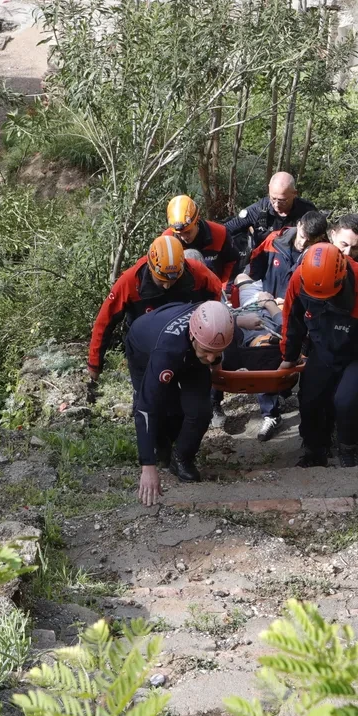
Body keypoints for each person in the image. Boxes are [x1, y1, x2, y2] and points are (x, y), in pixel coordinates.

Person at [280, 243, 358, 468]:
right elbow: (292, 320)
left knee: (345, 400)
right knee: (310, 397)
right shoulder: (300, 278)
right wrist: (288, 357)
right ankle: (315, 451)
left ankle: (348, 450)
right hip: (325, 347)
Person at [126, 301, 235, 505]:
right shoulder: (166, 352)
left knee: (201, 411)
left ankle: (182, 457)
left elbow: (216, 343)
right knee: (161, 405)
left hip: (192, 354)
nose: (212, 358)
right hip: (144, 348)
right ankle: (161, 450)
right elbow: (146, 409)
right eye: (208, 351)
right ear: (194, 335)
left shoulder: (217, 324)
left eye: (217, 352)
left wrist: (214, 360)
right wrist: (148, 467)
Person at [235, 210, 328, 440]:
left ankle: (310, 417)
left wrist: (283, 304)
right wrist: (242, 282)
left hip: (301, 314)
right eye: (303, 235)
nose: (304, 241)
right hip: (267, 309)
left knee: (305, 358)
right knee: (262, 348)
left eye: (311, 239)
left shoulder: (322, 256)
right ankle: (270, 412)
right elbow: (251, 269)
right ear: (299, 225)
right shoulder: (274, 241)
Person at [88, 236, 223, 381]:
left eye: (173, 280)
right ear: (151, 267)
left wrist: (211, 342)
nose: (167, 286)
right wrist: (95, 363)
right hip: (145, 348)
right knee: (150, 395)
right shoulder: (130, 282)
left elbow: (215, 299)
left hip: (186, 342)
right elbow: (105, 320)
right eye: (162, 280)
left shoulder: (197, 273)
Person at [226, 171, 317, 257]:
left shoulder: (307, 211)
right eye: (273, 199)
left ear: (294, 194)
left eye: (282, 200)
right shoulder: (258, 209)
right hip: (262, 262)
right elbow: (226, 229)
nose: (276, 205)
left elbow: (321, 241)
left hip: (295, 262)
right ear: (269, 189)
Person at [164, 195, 241, 283]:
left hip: (217, 286)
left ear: (197, 220)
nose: (184, 237)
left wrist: (223, 288)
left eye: (188, 232)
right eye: (179, 234)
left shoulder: (219, 233)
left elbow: (232, 262)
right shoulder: (166, 241)